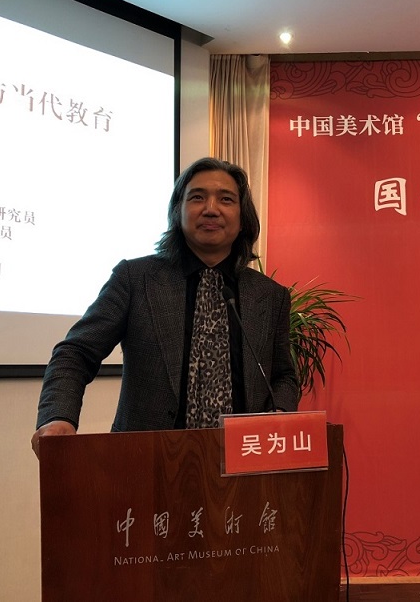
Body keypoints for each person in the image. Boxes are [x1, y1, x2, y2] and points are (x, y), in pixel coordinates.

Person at [31, 157, 300, 458]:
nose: (211, 208)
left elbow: (283, 376)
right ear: (177, 211)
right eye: (197, 197)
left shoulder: (270, 296)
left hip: (243, 460)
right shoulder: (135, 279)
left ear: (242, 217)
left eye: (226, 199)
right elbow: (76, 352)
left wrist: (279, 414)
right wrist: (58, 417)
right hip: (146, 461)